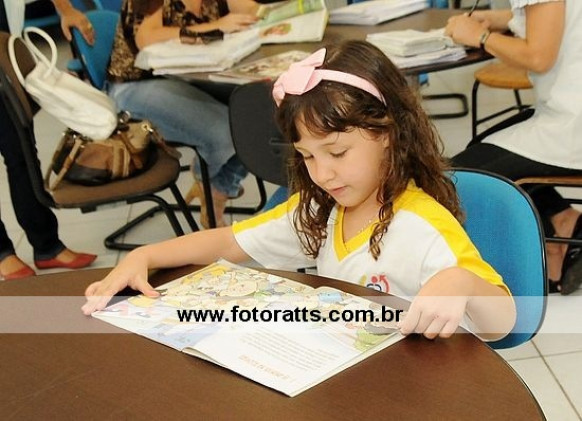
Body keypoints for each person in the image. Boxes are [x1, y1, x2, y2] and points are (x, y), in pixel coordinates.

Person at [83, 40, 516, 341]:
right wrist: (144, 256)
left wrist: (460, 281)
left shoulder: (423, 225)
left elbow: (503, 322)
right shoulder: (323, 209)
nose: (323, 174)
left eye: (337, 152)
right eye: (308, 156)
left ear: (387, 133)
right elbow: (229, 242)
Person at [445, 1, 582, 295]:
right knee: (482, 148)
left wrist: (480, 36)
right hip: (569, 110)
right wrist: (499, 18)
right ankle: (563, 220)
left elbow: (539, 57)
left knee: (461, 176)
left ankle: (552, 247)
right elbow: (551, 14)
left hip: (572, 123)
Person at [106, 0, 259, 228]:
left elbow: (252, 10)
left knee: (260, 109)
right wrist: (214, 26)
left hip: (187, 75)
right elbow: (145, 38)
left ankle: (217, 189)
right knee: (224, 133)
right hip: (135, 84)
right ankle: (206, 180)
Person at [0, 0, 97, 280]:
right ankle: (2, 252)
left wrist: (66, 9)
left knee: (22, 152)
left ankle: (47, 245)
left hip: (3, 46)